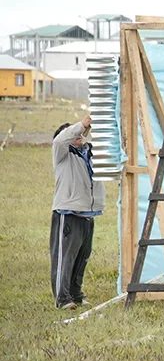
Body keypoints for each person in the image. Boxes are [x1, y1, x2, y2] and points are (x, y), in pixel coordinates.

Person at [50, 116, 106, 310]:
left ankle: (75, 294)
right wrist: (82, 124)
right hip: (69, 211)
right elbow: (60, 139)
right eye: (74, 133)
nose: (79, 135)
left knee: (83, 256)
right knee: (65, 257)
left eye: (81, 133)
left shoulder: (88, 153)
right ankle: (62, 298)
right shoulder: (62, 152)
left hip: (88, 212)